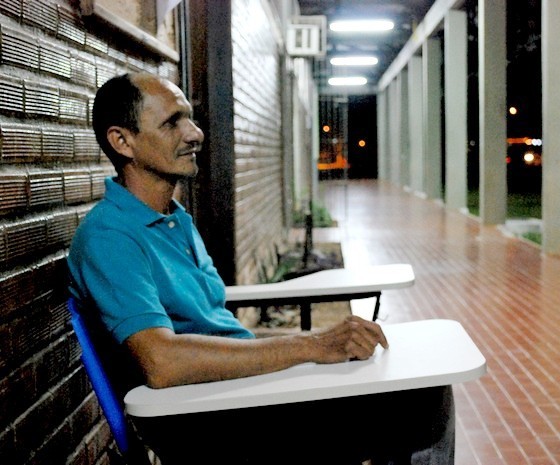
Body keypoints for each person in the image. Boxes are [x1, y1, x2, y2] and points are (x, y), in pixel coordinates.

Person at [67, 73, 454, 465]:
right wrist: (310, 346)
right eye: (172, 122)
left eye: (190, 118)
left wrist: (314, 345)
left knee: (419, 382)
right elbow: (161, 363)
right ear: (122, 141)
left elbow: (213, 323)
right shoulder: (110, 236)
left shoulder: (171, 218)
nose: (195, 133)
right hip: (202, 423)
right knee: (420, 403)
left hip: (238, 392)